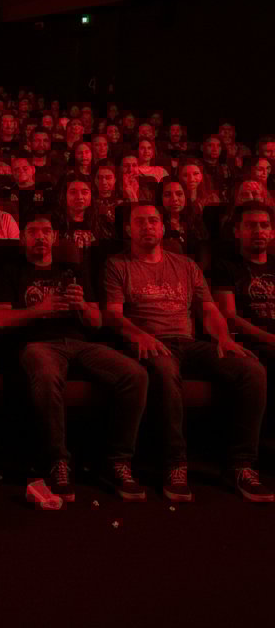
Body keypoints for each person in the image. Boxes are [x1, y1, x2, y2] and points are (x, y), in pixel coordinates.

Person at [102, 203, 270, 502]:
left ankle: (242, 465)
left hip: (189, 343)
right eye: (140, 222)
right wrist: (139, 335)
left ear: (163, 227)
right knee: (166, 372)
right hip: (149, 342)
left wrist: (224, 339)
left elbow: (208, 309)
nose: (148, 226)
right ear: (129, 229)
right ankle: (175, 464)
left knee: (251, 370)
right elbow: (113, 315)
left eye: (154, 220)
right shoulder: (118, 264)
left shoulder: (185, 265)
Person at [0, 211, 148, 503]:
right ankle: (58, 460)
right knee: (48, 375)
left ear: (54, 237)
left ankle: (119, 461)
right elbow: (0, 319)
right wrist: (42, 309)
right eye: (33, 232)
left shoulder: (72, 271)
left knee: (135, 374)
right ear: (24, 238)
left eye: (45, 231)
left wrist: (83, 307)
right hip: (38, 343)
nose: (40, 237)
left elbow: (96, 323)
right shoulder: (11, 271)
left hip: (79, 343)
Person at [213, 202, 275, 371]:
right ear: (237, 232)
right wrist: (270, 338)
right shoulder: (225, 266)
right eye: (250, 225)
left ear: (272, 233)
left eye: (264, 225)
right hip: (252, 341)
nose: (258, 231)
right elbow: (229, 316)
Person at [160, 179, 207, 256]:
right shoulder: (156, 223)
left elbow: (205, 251)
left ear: (185, 196)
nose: (174, 199)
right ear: (160, 198)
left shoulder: (195, 220)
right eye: (168, 195)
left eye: (179, 194)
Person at [56, 173, 98, 255]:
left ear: (91, 195)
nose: (79, 197)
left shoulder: (99, 223)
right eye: (73, 192)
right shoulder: (55, 224)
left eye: (84, 192)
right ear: (64, 195)